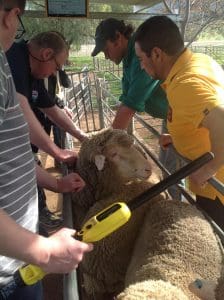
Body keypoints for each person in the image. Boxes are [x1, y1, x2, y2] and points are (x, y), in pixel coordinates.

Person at [0, 1, 92, 299]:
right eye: (58, 66)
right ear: (10, 16)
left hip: (17, 258)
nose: (56, 72)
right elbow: (26, 109)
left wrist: (55, 179)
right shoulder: (12, 58)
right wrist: (43, 249)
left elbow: (12, 148)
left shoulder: (7, 66)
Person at [134, 15, 224, 230]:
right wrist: (179, 137)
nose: (141, 66)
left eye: (140, 59)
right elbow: (203, 115)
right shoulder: (199, 61)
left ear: (157, 53)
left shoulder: (186, 84)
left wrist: (208, 169)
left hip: (216, 190)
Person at [91, 18, 183, 199]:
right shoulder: (130, 59)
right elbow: (126, 99)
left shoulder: (142, 54)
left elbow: (130, 105)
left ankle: (178, 211)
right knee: (168, 168)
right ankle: (175, 204)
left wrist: (105, 143)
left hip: (182, 116)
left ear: (118, 37)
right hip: (171, 116)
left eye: (106, 49)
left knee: (175, 172)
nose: (106, 56)